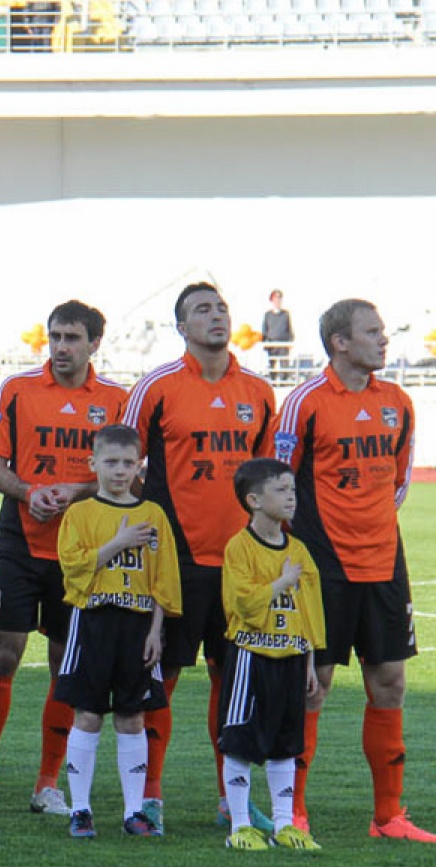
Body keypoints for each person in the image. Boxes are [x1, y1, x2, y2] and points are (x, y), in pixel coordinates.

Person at [276, 298, 435, 842]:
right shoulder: (305, 402)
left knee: (390, 682)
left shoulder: (398, 402)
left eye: (382, 331)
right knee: (312, 685)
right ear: (340, 342)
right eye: (372, 331)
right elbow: (280, 480)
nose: (383, 340)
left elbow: (399, 480)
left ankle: (388, 817)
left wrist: (371, 525)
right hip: (323, 567)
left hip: (384, 562)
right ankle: (293, 811)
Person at [122, 282, 276, 834]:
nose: (216, 316)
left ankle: (231, 800)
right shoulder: (157, 388)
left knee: (233, 680)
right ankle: (150, 796)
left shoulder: (258, 391)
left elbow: (267, 478)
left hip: (240, 563)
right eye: (202, 310)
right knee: (160, 676)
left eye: (221, 308)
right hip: (176, 559)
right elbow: (120, 461)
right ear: (181, 327)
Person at [0, 301, 129, 818]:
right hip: (20, 540)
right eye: (55, 337)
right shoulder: (17, 390)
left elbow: (128, 472)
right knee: (4, 655)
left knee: (65, 661)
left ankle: (48, 783)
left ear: (95, 343)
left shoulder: (116, 400)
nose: (61, 347)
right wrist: (28, 492)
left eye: (72, 338)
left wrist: (77, 491)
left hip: (82, 549)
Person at [56, 424, 181, 838]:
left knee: (132, 716)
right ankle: (80, 809)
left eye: (128, 463)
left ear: (139, 465)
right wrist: (120, 541)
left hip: (138, 624)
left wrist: (156, 631)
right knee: (88, 713)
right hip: (93, 621)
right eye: (111, 462)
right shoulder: (80, 514)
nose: (120, 470)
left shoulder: (153, 514)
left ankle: (133, 811)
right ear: (93, 464)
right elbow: (73, 568)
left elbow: (163, 578)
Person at [217, 458, 323, 850]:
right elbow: (243, 604)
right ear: (254, 500)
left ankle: (284, 825)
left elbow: (309, 611)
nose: (291, 497)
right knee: (240, 741)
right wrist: (282, 581)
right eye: (281, 490)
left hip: (292, 660)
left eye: (292, 490)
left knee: (286, 745)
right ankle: (241, 826)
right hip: (252, 657)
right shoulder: (239, 547)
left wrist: (309, 661)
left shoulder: (299, 550)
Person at [261, 290, 294, 373]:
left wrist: (290, 342)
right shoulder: (268, 315)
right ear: (272, 300)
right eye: (275, 298)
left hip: (283, 345)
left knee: (285, 367)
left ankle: (284, 379)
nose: (277, 301)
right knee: (272, 368)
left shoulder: (285, 314)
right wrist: (265, 343)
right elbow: (264, 330)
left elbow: (289, 329)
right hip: (272, 345)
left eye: (279, 298)